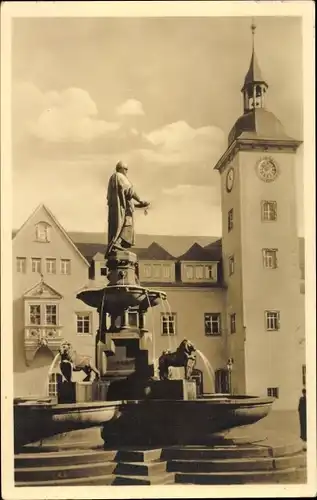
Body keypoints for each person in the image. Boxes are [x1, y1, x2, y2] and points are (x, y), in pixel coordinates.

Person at [106, 161, 149, 256]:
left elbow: (124, 200)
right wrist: (140, 200)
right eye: (125, 169)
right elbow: (130, 191)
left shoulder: (112, 179)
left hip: (117, 209)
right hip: (122, 211)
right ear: (120, 168)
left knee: (121, 225)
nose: (126, 171)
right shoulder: (119, 176)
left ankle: (117, 243)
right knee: (126, 223)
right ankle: (117, 242)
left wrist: (138, 205)